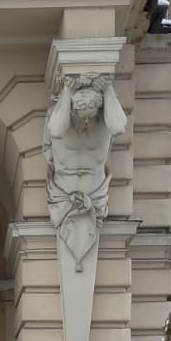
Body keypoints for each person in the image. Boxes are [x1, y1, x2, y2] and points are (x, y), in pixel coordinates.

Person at [45, 72, 126, 272]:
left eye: (90, 115)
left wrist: (107, 89)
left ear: (99, 109)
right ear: (72, 107)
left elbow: (118, 127)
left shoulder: (107, 120)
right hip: (63, 196)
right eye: (81, 112)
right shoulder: (59, 118)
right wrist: (67, 92)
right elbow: (55, 129)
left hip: (96, 195)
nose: (86, 122)